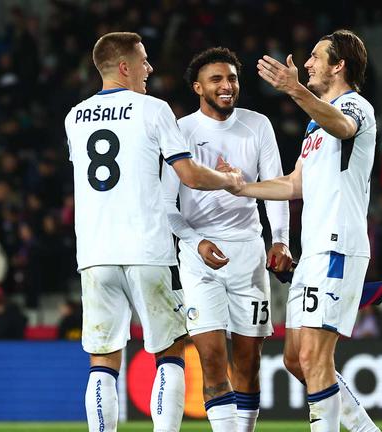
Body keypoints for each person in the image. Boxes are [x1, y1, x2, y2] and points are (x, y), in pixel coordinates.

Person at [63, 32, 244, 432]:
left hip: (94, 252)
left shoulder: (74, 116)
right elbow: (190, 176)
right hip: (145, 247)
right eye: (143, 61)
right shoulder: (153, 109)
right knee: (169, 352)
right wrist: (229, 180)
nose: (149, 68)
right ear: (124, 67)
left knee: (103, 359)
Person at [224, 29, 380, 432]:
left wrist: (295, 91)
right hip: (312, 252)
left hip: (338, 245)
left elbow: (344, 128)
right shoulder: (314, 127)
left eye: (315, 56)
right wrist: (243, 187)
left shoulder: (355, 107)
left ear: (339, 64)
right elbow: (295, 184)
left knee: (314, 359)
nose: (307, 63)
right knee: (296, 359)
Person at [161, 47, 292, 432]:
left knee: (248, 364)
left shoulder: (258, 125)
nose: (226, 85)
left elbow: (276, 187)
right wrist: (195, 242)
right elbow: (167, 205)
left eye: (232, 78)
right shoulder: (181, 131)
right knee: (213, 361)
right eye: (216, 79)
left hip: (248, 255)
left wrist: (280, 240)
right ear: (197, 86)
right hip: (200, 258)